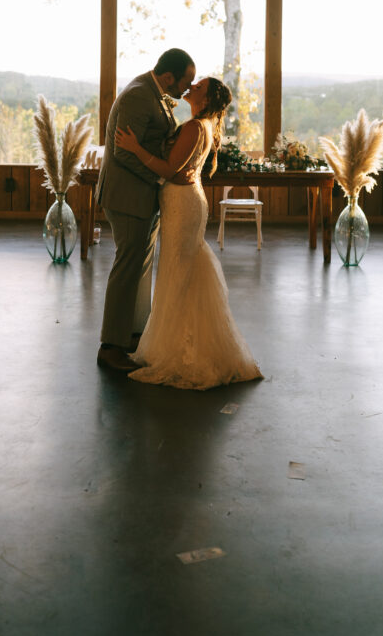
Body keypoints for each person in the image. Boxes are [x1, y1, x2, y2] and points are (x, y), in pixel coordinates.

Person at [114, 76, 263, 390]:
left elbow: (170, 170)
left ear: (206, 100)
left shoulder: (196, 127)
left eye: (199, 86)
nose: (192, 86)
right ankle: (180, 340)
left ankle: (184, 350)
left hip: (183, 204)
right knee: (181, 270)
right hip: (185, 201)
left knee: (178, 271)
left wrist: (134, 148)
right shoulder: (202, 125)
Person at [96, 48, 196, 372]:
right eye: (186, 81)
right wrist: (160, 175)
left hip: (144, 197)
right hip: (127, 197)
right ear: (169, 77)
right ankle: (110, 346)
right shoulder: (139, 96)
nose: (187, 89)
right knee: (127, 269)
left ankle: (134, 336)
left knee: (139, 271)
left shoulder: (156, 93)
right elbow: (122, 153)